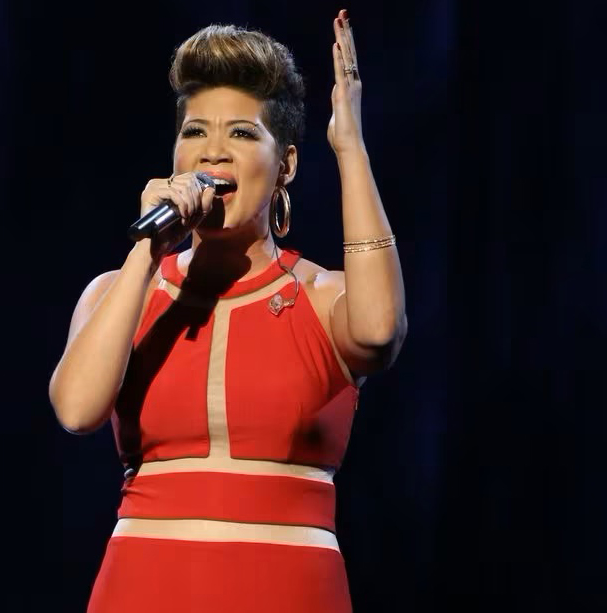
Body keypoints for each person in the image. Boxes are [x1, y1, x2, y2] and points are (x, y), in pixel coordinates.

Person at [49, 10, 407, 612]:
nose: (213, 151)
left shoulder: (322, 296)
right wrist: (148, 251)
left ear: (285, 165)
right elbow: (77, 409)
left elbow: (379, 331)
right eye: (195, 132)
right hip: (141, 587)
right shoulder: (118, 292)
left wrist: (350, 147)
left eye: (241, 133)